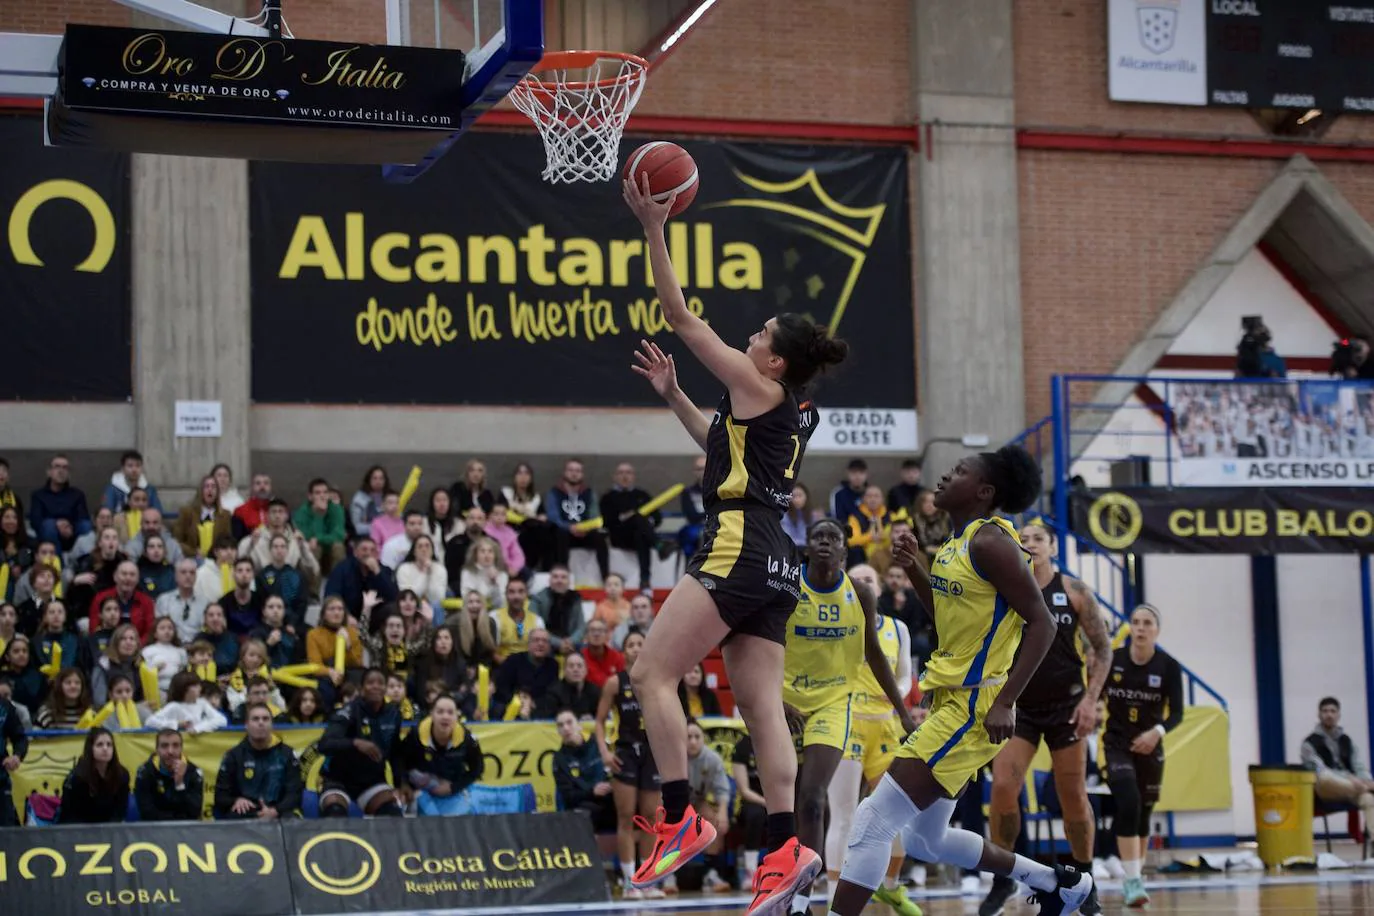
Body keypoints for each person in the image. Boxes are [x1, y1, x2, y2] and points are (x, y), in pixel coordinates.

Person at [623, 172, 850, 915]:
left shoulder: (763, 388)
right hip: (774, 556)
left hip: (739, 541)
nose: (748, 338)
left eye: (758, 337)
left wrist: (653, 226)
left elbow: (682, 318)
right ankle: (788, 849)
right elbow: (720, 445)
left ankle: (683, 816)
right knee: (761, 712)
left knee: (652, 676)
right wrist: (677, 397)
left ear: (775, 362)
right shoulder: (774, 409)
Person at [828, 446, 1094, 916]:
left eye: (960, 471)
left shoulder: (992, 542)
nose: (946, 475)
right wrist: (914, 569)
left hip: (976, 707)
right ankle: (1059, 883)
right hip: (955, 701)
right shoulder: (957, 542)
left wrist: (1007, 701)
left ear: (984, 492)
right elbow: (950, 622)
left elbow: (1043, 623)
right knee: (927, 841)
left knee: (872, 821)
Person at [782, 519, 916, 915]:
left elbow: (875, 655)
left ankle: (805, 900)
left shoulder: (859, 595)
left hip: (837, 705)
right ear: (807, 548)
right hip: (787, 702)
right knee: (789, 802)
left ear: (844, 551)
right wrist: (773, 696)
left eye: (833, 538)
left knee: (812, 799)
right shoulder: (789, 588)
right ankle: (789, 881)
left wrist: (905, 714)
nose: (824, 542)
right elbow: (765, 642)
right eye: (818, 536)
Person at [981, 522, 1112, 916]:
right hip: (1018, 707)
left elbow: (1103, 651)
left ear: (1053, 547)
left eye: (1038, 538)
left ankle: (1085, 881)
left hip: (1067, 707)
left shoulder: (1075, 592)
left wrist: (1091, 701)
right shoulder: (1005, 592)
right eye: (1022, 539)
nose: (1030, 544)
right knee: (1004, 786)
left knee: (1073, 796)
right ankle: (1003, 878)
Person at [822, 562, 921, 915]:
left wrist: (897, 691)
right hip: (847, 725)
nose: (863, 584)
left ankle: (891, 888)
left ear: (878, 589)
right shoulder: (837, 626)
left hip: (886, 725)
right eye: (856, 579)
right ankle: (836, 893)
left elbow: (908, 677)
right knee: (844, 814)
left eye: (869, 580)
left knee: (895, 816)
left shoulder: (898, 628)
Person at [1105, 604, 1184, 909]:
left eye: (1147, 623)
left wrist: (1158, 732)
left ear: (1156, 630)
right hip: (1117, 744)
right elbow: (1095, 693)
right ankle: (1132, 881)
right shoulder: (1114, 660)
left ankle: (1135, 876)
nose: (1140, 628)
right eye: (1135, 622)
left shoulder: (1168, 666)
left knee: (1144, 813)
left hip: (1151, 745)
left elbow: (1177, 713)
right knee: (1128, 801)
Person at [595, 630, 665, 900]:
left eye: (640, 644)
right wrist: (604, 751)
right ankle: (628, 881)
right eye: (631, 644)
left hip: (652, 753)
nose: (636, 648)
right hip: (625, 752)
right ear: (623, 651)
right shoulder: (615, 683)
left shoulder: (656, 681)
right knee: (626, 818)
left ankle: (646, 880)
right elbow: (599, 721)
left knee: (650, 819)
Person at [317, 668, 405, 817]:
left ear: (386, 688)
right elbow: (324, 744)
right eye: (370, 683)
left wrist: (400, 784)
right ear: (362, 688)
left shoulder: (394, 714)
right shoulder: (348, 712)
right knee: (335, 812)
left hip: (372, 781)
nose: (376, 686)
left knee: (391, 812)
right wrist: (355, 743)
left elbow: (395, 753)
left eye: (381, 683)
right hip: (338, 779)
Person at [214, 702, 304, 820]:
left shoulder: (287, 754)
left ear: (271, 724)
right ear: (246, 725)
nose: (261, 723)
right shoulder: (233, 756)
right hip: (246, 813)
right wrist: (236, 800)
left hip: (280, 812)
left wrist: (275, 811)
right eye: (255, 719)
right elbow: (220, 796)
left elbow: (295, 793)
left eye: (265, 719)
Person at [394, 694, 483, 812]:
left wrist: (453, 787)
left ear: (457, 716)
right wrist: (402, 783)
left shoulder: (467, 740)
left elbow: (478, 769)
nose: (445, 717)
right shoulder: (416, 735)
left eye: (450, 712)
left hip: (452, 792)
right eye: (440, 712)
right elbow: (399, 758)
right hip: (420, 792)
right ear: (432, 714)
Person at [1302, 697, 1374, 842]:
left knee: (1368, 799)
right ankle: (1367, 788)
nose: (1329, 715)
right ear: (1319, 715)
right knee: (1324, 776)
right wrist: (1350, 778)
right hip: (1325, 789)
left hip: (1351, 788)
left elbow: (1358, 765)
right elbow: (1319, 769)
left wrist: (1366, 779)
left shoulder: (1347, 740)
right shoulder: (1309, 743)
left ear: (1338, 715)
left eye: (1333, 711)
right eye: (1325, 711)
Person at [554, 707, 617, 833]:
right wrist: (592, 791)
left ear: (579, 725)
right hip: (585, 803)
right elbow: (568, 797)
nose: (566, 728)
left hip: (609, 799)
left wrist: (613, 784)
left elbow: (615, 770)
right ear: (558, 731)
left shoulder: (598, 745)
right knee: (586, 813)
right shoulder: (559, 759)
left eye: (569, 722)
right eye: (561, 725)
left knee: (629, 805)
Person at [56, 727, 129, 824]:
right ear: (90, 748)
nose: (105, 748)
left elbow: (120, 812)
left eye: (109, 744)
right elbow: (71, 814)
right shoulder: (77, 778)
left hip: (110, 830)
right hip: (78, 830)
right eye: (99, 745)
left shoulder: (122, 774)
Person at [134, 728, 205, 821]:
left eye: (175, 745)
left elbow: (194, 813)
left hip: (185, 829)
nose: (170, 751)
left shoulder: (194, 772)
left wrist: (180, 784)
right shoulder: (145, 772)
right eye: (164, 746)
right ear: (157, 749)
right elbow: (146, 813)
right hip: (155, 829)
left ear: (181, 748)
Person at [0, 675, 26, 826]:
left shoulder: (4, 707)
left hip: (0, 781)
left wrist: (17, 756)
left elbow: (20, 737)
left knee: (8, 829)